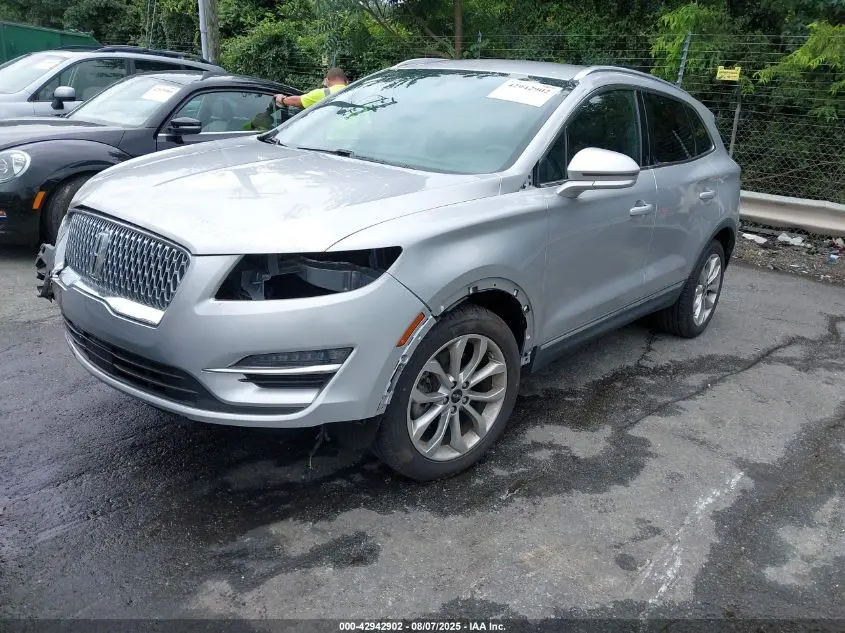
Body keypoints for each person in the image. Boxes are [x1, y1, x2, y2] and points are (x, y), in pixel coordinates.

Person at [276, 68, 347, 110]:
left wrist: (282, 99)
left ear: (327, 80)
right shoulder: (354, 90)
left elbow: (298, 101)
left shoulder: (324, 93)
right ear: (346, 81)